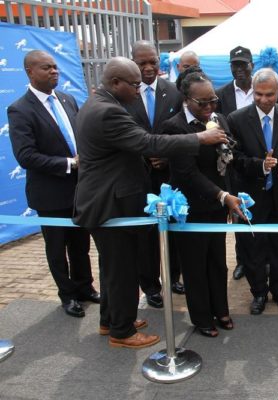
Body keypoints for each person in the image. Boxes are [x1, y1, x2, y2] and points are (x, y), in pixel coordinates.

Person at [73, 57, 230, 348]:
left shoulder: (97, 104)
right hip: (111, 204)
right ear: (115, 82)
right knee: (121, 270)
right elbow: (148, 143)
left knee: (112, 267)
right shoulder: (108, 112)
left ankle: (111, 320)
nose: (139, 89)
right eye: (134, 84)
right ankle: (122, 332)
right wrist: (200, 138)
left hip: (106, 200)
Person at [7, 50, 99, 318]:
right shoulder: (20, 109)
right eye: (46, 68)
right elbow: (26, 156)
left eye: (56, 67)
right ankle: (67, 296)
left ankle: (85, 288)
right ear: (30, 72)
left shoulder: (68, 100)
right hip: (50, 193)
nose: (54, 72)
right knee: (57, 249)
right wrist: (70, 164)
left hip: (80, 190)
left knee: (80, 245)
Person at [162, 68, 244, 337]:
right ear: (186, 99)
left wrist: (229, 199)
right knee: (195, 266)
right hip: (190, 208)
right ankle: (201, 317)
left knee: (217, 262)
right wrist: (223, 196)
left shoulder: (219, 119)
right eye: (202, 102)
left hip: (218, 206)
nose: (209, 107)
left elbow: (227, 165)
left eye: (213, 101)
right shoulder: (175, 127)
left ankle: (221, 309)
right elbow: (187, 174)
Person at [228, 68, 278, 315]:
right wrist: (260, 165)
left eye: (269, 94)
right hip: (251, 195)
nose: (264, 100)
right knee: (253, 247)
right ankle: (258, 292)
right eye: (258, 94)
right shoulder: (236, 119)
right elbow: (233, 158)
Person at [124, 40, 184, 304]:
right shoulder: (125, 94)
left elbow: (183, 132)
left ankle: (173, 278)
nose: (148, 68)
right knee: (145, 236)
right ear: (133, 63)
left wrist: (168, 158)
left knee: (172, 232)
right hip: (136, 177)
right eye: (142, 63)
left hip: (169, 178)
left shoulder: (174, 92)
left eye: (153, 62)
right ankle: (150, 286)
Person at [216, 45, 255, 281]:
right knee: (239, 212)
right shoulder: (221, 95)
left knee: (259, 212)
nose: (239, 69)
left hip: (258, 161)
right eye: (235, 65)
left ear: (252, 65)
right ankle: (242, 260)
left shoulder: (261, 89)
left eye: (243, 64)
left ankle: (264, 258)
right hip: (233, 165)